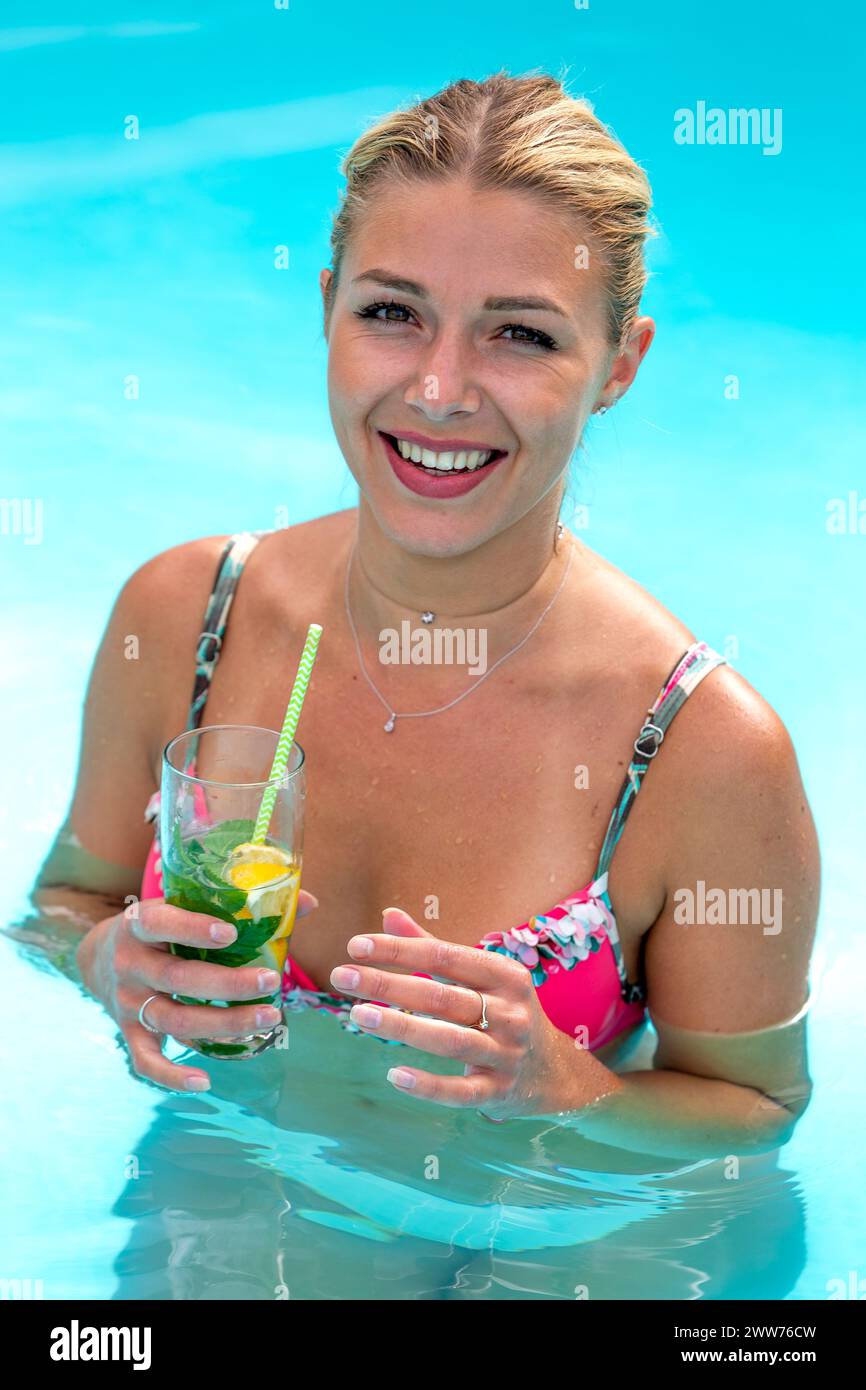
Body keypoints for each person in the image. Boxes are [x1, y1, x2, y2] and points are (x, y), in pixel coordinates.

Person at [32, 71, 819, 1159]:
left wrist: (564, 1088)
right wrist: (103, 960)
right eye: (392, 314)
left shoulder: (701, 753)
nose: (441, 390)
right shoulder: (185, 620)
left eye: (520, 336)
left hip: (542, 1250)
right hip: (220, 1210)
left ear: (618, 367)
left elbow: (756, 1110)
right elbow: (66, 900)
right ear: (326, 312)